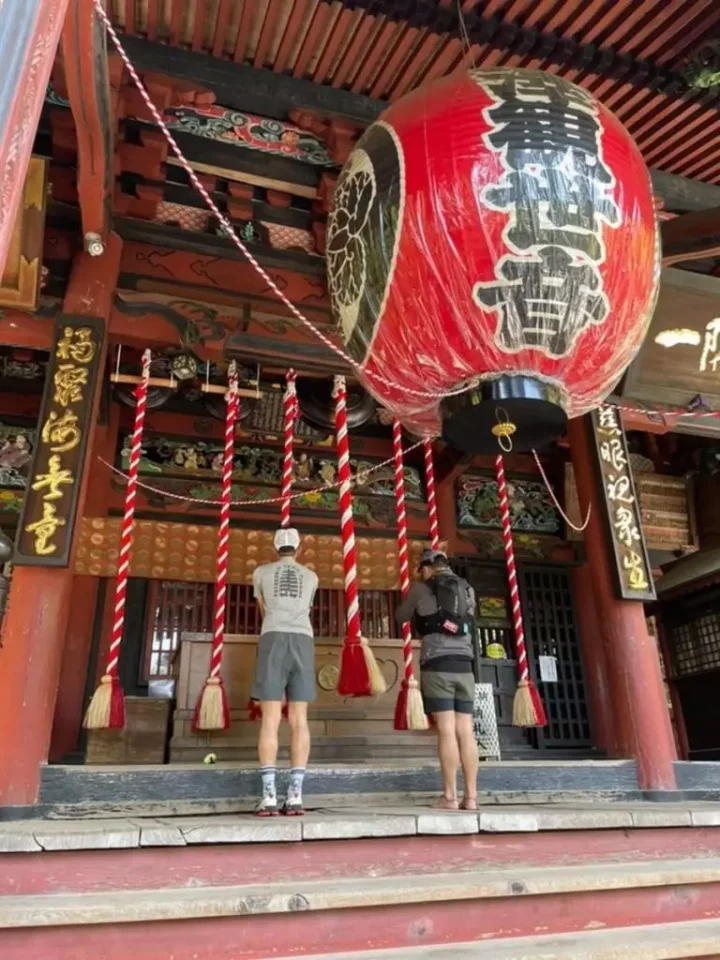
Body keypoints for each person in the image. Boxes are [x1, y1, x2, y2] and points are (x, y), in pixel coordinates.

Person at [396, 550, 479, 811]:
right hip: (465, 666)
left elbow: (401, 617)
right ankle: (472, 798)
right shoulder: (467, 590)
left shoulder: (421, 589)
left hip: (437, 664)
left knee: (446, 729)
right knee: (465, 729)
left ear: (428, 568)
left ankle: (450, 797)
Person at [251, 527, 319, 817]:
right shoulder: (312, 577)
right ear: (299, 549)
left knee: (270, 718)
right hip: (303, 640)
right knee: (299, 719)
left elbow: (263, 609)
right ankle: (295, 795)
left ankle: (268, 796)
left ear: (274, 548)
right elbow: (308, 608)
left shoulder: (261, 572)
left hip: (273, 637)